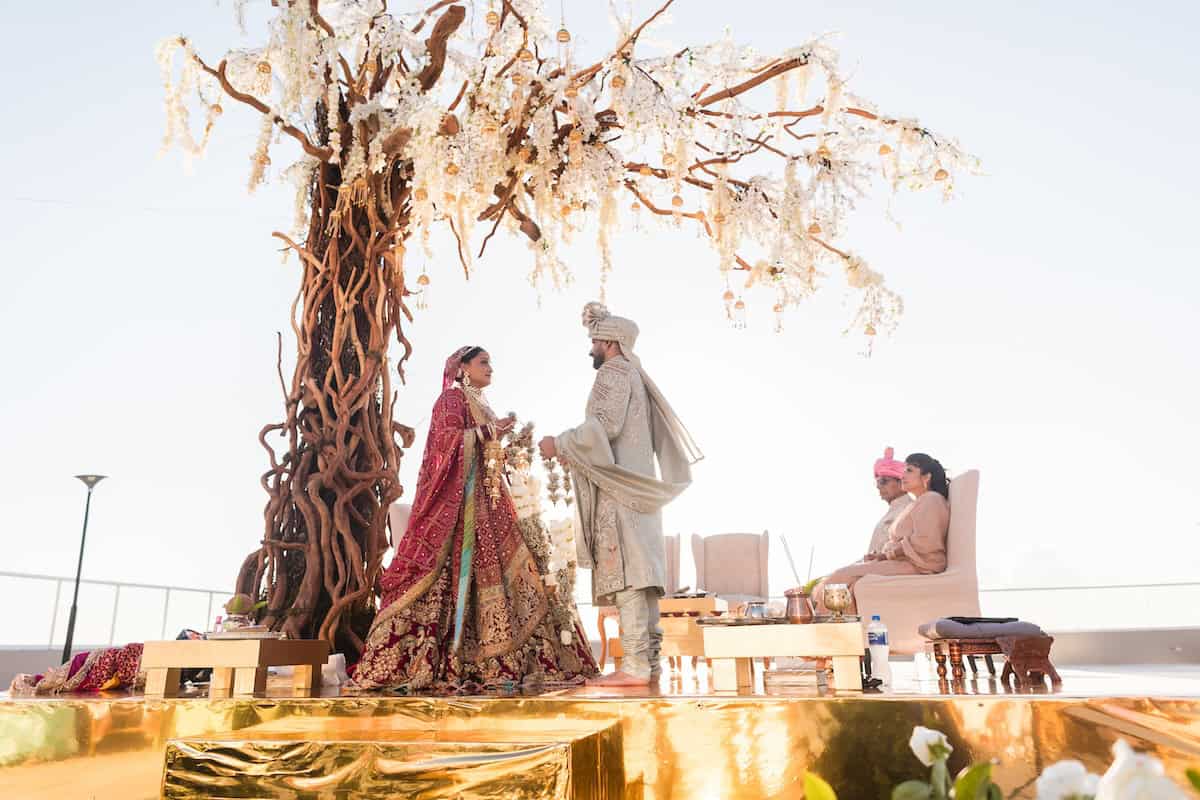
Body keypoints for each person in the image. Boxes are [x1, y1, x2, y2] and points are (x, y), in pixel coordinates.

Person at [348, 346, 597, 691]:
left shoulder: (481, 402)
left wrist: (507, 442)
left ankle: (521, 655)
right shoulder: (451, 399)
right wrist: (487, 432)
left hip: (492, 503)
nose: (490, 368)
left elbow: (486, 451)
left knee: (521, 569)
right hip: (464, 507)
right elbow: (445, 443)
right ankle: (458, 655)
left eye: (490, 362)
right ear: (462, 367)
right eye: (483, 362)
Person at [539, 303, 702, 687]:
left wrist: (560, 444)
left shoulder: (613, 372)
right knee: (643, 577)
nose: (592, 346)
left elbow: (604, 426)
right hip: (638, 487)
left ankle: (633, 667)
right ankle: (648, 664)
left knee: (629, 575)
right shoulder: (637, 376)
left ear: (611, 342)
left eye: (596, 339)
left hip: (621, 491)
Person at [815, 453, 951, 614]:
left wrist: (888, 555)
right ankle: (839, 628)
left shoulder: (932, 500)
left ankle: (827, 628)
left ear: (926, 477)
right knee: (843, 580)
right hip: (905, 562)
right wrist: (881, 556)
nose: (903, 476)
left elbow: (926, 542)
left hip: (918, 566)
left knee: (840, 577)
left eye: (909, 470)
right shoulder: (919, 503)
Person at [865, 447, 913, 560]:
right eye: (877, 482)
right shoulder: (891, 512)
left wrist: (883, 557)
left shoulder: (911, 508)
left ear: (902, 482)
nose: (879, 486)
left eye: (883, 481)